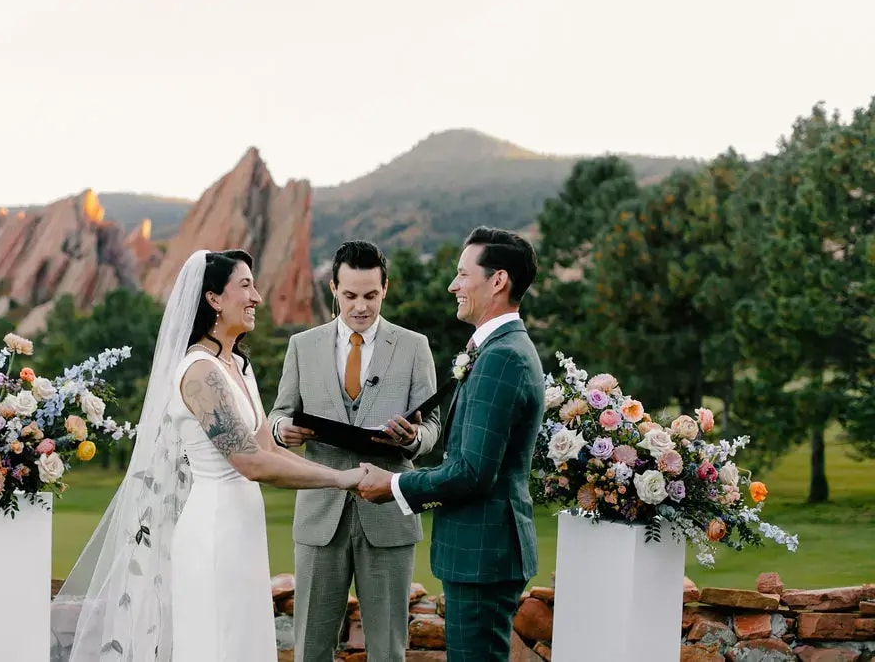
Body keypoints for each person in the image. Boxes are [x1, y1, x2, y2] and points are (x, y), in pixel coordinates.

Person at [51, 249, 364, 662]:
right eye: (245, 286)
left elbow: (267, 447)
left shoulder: (238, 365)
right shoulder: (198, 372)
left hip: (244, 528)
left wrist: (345, 474)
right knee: (218, 643)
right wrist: (343, 480)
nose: (257, 298)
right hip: (213, 529)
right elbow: (250, 461)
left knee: (243, 641)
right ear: (214, 299)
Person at [356, 227, 544, 662]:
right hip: (481, 550)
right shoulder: (499, 348)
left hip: (484, 552)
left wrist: (395, 486)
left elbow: (474, 472)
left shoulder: (502, 356)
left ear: (497, 281)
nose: (452, 285)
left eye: (462, 274)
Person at [268, 240, 442, 662]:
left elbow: (435, 426)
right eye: (350, 296)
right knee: (310, 647)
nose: (360, 306)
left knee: (387, 650)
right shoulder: (302, 345)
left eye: (370, 295)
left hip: (388, 517)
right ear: (333, 288)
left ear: (386, 288)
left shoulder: (414, 345)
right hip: (319, 517)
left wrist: (412, 440)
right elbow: (277, 416)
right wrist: (282, 431)